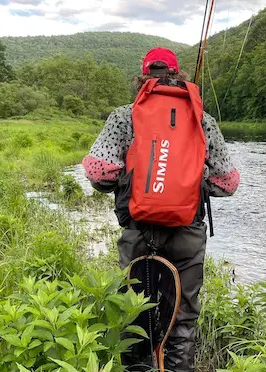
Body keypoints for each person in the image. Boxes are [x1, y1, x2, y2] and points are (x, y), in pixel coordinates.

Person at [82, 47, 240, 372]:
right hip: (187, 235)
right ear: (177, 75)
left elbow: (98, 173)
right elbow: (228, 183)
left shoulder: (125, 115)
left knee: (135, 312)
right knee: (183, 320)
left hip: (139, 233)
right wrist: (189, 183)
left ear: (143, 76)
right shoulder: (201, 119)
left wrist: (134, 183)